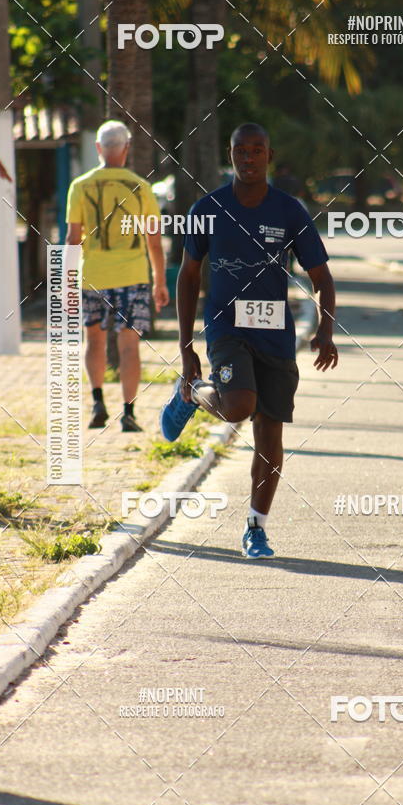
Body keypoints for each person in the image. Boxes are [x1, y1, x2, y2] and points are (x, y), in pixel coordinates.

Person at [160, 123, 338, 559]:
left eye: (257, 150)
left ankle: (256, 528)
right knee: (238, 405)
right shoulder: (208, 209)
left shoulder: (289, 211)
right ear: (231, 154)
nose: (249, 157)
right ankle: (193, 391)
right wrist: (186, 347)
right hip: (227, 329)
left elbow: (321, 276)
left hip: (275, 335)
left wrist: (325, 328)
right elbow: (188, 276)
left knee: (270, 434)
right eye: (241, 150)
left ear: (269, 156)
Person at [66, 120, 169, 432]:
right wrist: (160, 281)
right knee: (129, 346)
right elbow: (154, 241)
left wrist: (68, 283)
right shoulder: (142, 187)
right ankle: (128, 413)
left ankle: (98, 402)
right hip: (132, 277)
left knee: (93, 340)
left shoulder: (80, 186)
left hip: (93, 276)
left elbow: (72, 239)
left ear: (98, 148)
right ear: (127, 148)